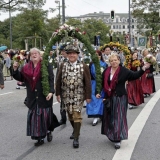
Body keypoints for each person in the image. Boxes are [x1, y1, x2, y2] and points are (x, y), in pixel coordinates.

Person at [97, 53, 150, 149]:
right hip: (109, 97)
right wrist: (98, 92)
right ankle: (111, 134)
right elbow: (101, 82)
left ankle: (118, 138)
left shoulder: (123, 71)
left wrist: (143, 68)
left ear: (119, 60)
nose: (114, 62)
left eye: (115, 60)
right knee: (110, 117)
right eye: (112, 60)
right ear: (109, 62)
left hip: (120, 97)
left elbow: (135, 75)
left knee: (119, 118)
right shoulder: (106, 71)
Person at [13, 48, 59, 146]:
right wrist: (15, 69)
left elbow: (51, 79)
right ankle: (39, 138)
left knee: (45, 117)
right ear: (29, 56)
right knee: (35, 118)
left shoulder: (46, 65)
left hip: (44, 96)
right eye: (32, 54)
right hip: (32, 97)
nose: (34, 55)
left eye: (36, 53)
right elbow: (20, 78)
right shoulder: (26, 67)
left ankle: (48, 131)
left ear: (39, 55)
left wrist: (51, 91)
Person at [56, 44, 91, 148]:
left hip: (78, 95)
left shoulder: (83, 66)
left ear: (77, 55)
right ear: (67, 55)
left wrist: (88, 96)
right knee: (70, 115)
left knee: (77, 115)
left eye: (74, 53)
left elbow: (88, 82)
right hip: (66, 94)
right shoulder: (63, 65)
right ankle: (75, 130)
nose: (71, 55)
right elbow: (58, 80)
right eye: (69, 53)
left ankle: (76, 138)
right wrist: (57, 93)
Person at [86, 50, 107, 126]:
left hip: (101, 84)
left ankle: (100, 114)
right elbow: (88, 75)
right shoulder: (91, 64)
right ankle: (95, 116)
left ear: (100, 56)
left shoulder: (104, 64)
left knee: (100, 99)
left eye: (98, 55)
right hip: (93, 83)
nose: (97, 56)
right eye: (95, 55)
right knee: (93, 99)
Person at [56, 45, 68, 125]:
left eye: (63, 51)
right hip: (63, 85)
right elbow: (58, 73)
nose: (62, 53)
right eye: (62, 51)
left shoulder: (73, 60)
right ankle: (63, 118)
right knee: (62, 103)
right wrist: (56, 83)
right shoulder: (60, 61)